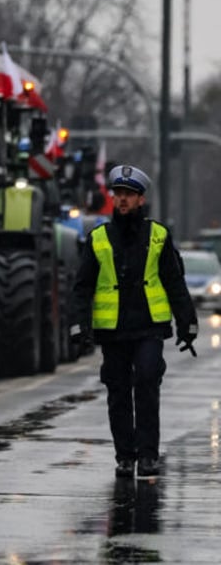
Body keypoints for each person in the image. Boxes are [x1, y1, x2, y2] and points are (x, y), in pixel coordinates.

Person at [69, 164, 198, 479]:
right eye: (119, 194)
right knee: (118, 392)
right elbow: (82, 287)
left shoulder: (158, 235)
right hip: (113, 331)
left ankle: (149, 456)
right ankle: (125, 456)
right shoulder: (98, 238)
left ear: (141, 199)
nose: (123, 200)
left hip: (149, 328)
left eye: (130, 195)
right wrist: (79, 326)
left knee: (147, 382)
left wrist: (188, 324)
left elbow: (174, 282)